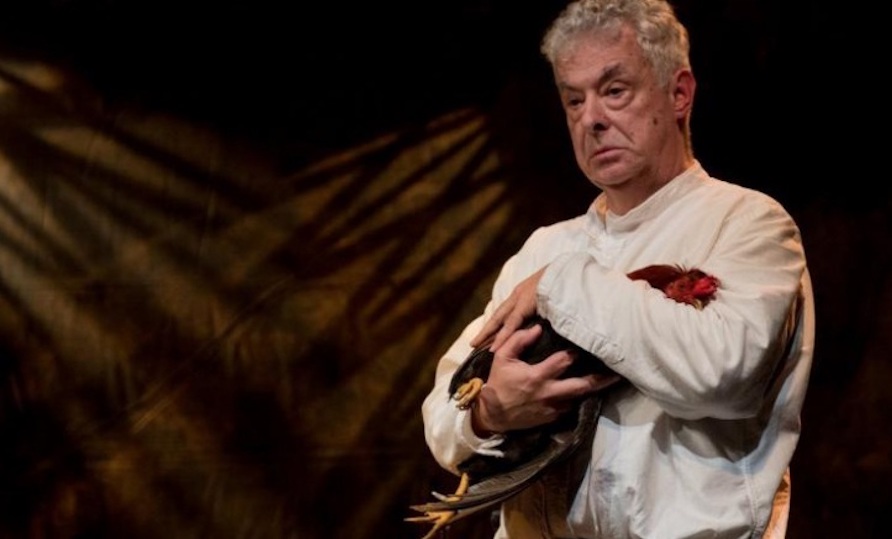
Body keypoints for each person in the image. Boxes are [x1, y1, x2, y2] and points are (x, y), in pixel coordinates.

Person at [419, 0, 815, 537]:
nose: (592, 119)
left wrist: (559, 284)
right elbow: (442, 416)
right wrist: (489, 411)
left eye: (614, 91)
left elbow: (721, 376)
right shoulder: (543, 248)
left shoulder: (750, 225)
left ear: (679, 94)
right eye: (573, 100)